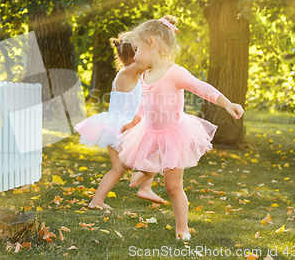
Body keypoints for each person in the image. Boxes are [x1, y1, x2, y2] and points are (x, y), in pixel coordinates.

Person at [116, 15, 244, 240]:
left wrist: (227, 103)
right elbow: (144, 101)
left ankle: (182, 229)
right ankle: (147, 171)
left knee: (173, 187)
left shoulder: (175, 72)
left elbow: (202, 88)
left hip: (173, 134)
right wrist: (135, 121)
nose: (134, 57)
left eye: (136, 50)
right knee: (125, 161)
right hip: (149, 131)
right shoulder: (145, 75)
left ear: (152, 43)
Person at [75, 31, 166, 209]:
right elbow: (152, 62)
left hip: (117, 127)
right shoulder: (130, 71)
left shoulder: (129, 72)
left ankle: (97, 201)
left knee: (119, 169)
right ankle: (145, 183)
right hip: (123, 128)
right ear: (136, 53)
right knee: (155, 153)